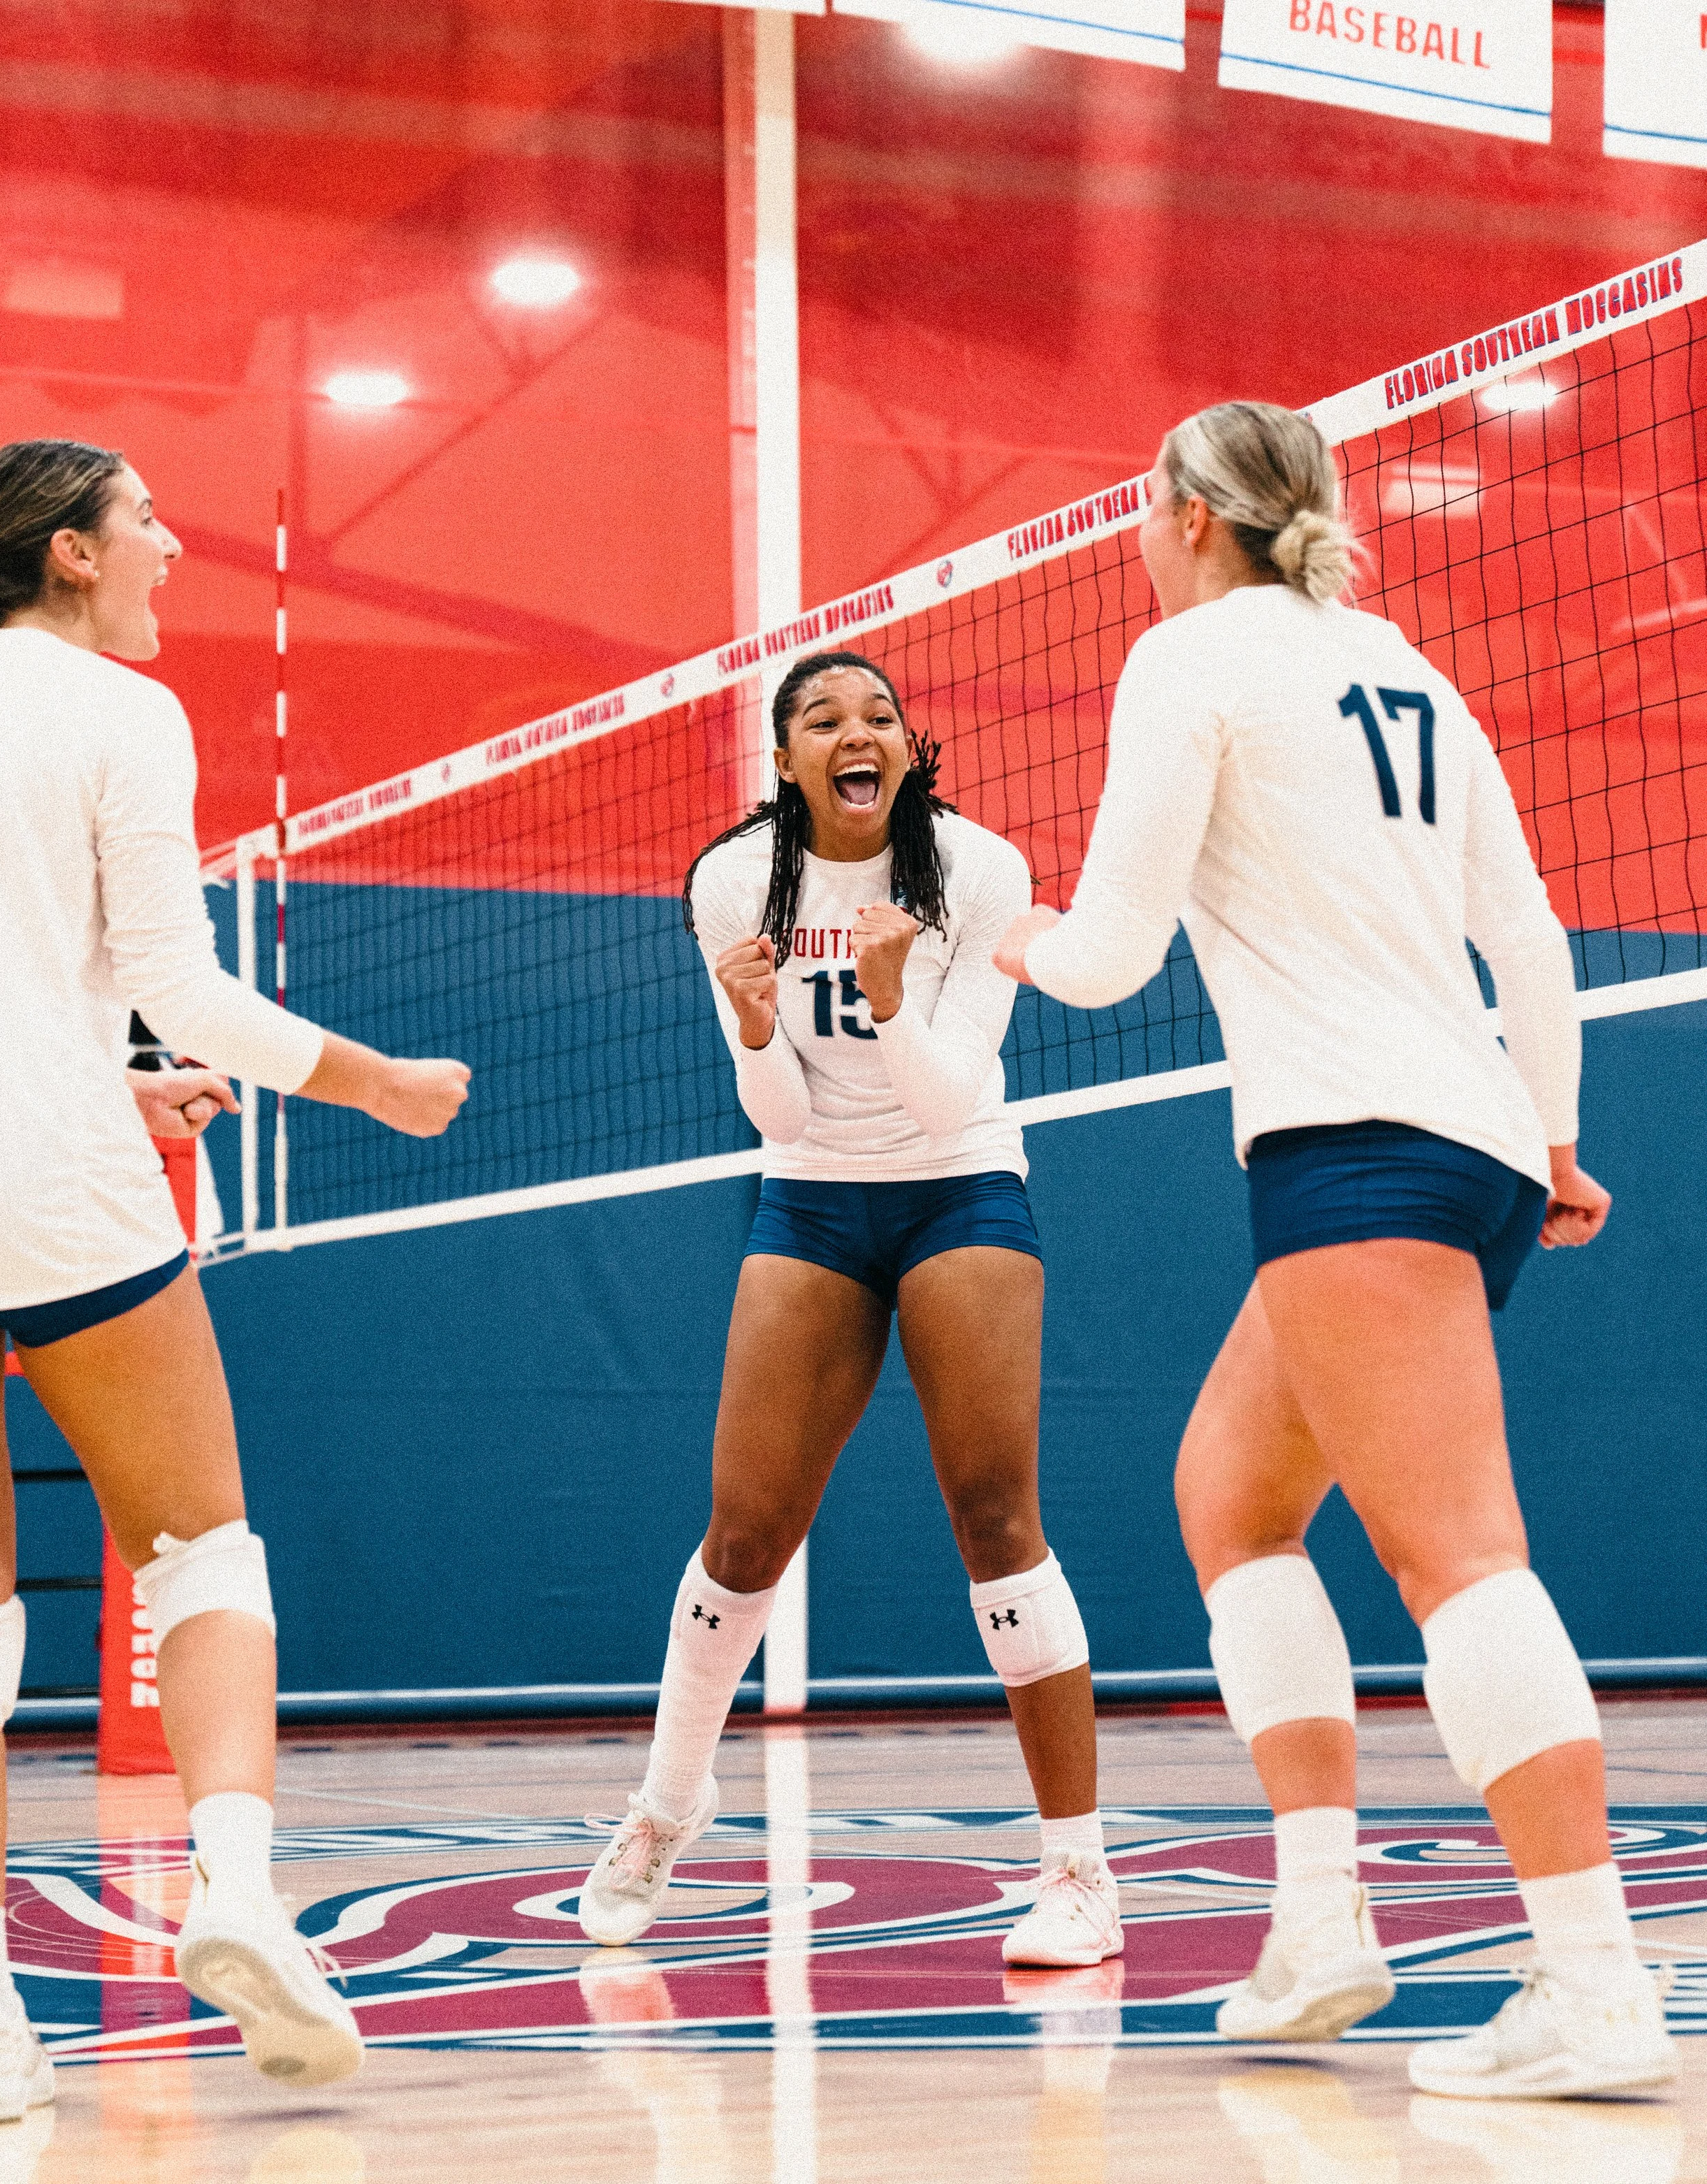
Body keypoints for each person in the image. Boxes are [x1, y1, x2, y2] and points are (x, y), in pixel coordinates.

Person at [993, 402, 1673, 2100]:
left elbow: (1104, 955)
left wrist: (978, 924)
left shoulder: (1187, 660)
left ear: (1181, 516)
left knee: (1452, 1556)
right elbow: (1520, 927)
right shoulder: (1403, 667)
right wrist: (1558, 1135)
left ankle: (1591, 1977)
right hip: (1463, 1138)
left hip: (1357, 1145)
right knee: (1227, 1496)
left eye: (1138, 510)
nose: (1133, 540)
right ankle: (1317, 1923)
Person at [0, 438, 471, 2118]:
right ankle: (240, 1892)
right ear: (70, 555)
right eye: (145, 520)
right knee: (201, 1539)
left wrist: (89, 1075)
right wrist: (376, 1077)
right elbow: (180, 980)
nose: (173, 542)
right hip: (51, 1175)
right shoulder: (121, 714)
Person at [577, 649, 1117, 1971]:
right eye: (823, 718)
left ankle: (1078, 1871)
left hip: (961, 1186)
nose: (855, 732)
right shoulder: (733, 880)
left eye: (879, 715)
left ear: (907, 745)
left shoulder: (977, 871)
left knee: (997, 1517)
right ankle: (665, 1809)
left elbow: (948, 1102)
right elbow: (780, 1116)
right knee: (747, 1530)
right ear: (786, 760)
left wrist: (884, 1002)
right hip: (813, 1194)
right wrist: (761, 1029)